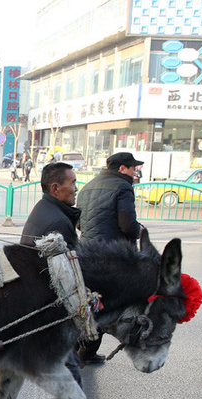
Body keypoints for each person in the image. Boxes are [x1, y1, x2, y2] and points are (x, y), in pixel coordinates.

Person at [0, 162, 128, 399]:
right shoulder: (55, 221)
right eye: (73, 183)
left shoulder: (50, 211)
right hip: (40, 306)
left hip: (30, 300)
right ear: (56, 187)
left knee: (8, 361)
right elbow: (63, 272)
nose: (76, 188)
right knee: (67, 364)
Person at [75, 152, 144, 363]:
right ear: (122, 169)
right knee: (105, 307)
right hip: (111, 257)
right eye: (133, 168)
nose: (135, 172)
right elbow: (126, 224)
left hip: (85, 253)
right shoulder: (123, 187)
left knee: (88, 303)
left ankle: (80, 351)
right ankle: (84, 354)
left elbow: (79, 224)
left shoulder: (87, 186)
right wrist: (139, 231)